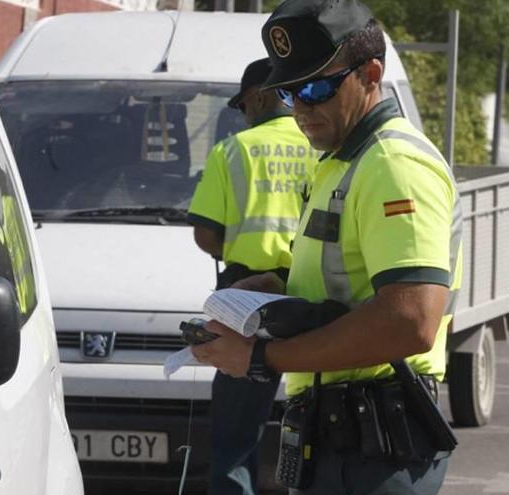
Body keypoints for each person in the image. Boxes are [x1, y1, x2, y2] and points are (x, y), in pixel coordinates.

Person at [191, 1, 463, 493]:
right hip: (342, 434)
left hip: (375, 442)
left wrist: (261, 360)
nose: (301, 108)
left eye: (316, 87)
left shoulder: (393, 164)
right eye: (288, 91)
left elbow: (411, 320)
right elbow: (355, 282)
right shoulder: (340, 159)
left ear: (371, 73)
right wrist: (279, 287)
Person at [186, 57, 320, 495]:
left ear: (260, 96)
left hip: (246, 299)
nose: (243, 114)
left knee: (236, 430)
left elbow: (206, 235)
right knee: (316, 416)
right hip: (313, 296)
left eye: (243, 105)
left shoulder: (234, 150)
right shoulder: (322, 148)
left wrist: (238, 246)